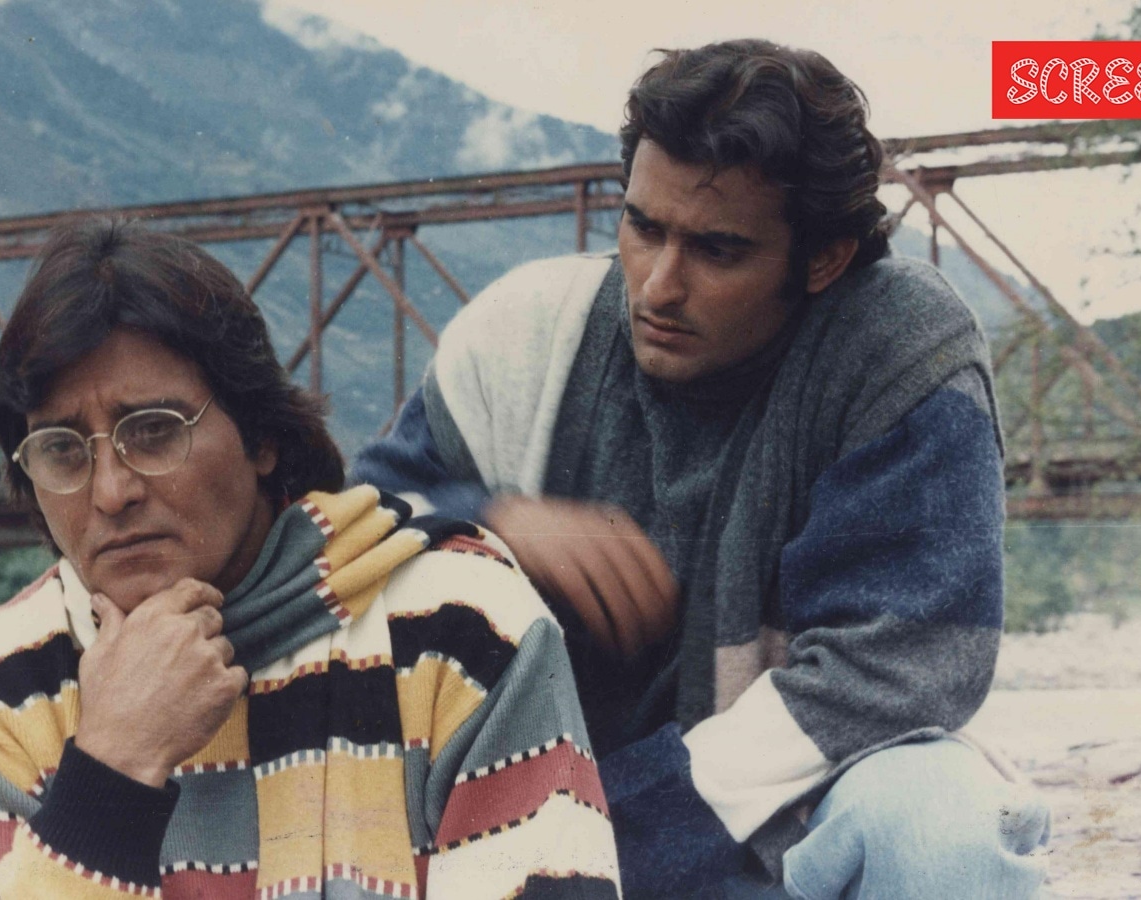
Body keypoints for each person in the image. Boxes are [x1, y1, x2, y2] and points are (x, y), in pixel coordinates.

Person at [353, 39, 1050, 899]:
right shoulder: (526, 330)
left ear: (825, 259)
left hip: (756, 824)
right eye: (643, 228)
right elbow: (343, 540)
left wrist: (603, 829)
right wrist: (490, 523)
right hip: (527, 818)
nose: (658, 287)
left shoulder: (898, 348)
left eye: (718, 251)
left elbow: (906, 663)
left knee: (942, 823)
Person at [0, 220, 618, 900]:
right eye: (60, 450)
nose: (110, 492)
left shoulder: (463, 631)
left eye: (154, 431)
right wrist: (111, 770)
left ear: (262, 436)